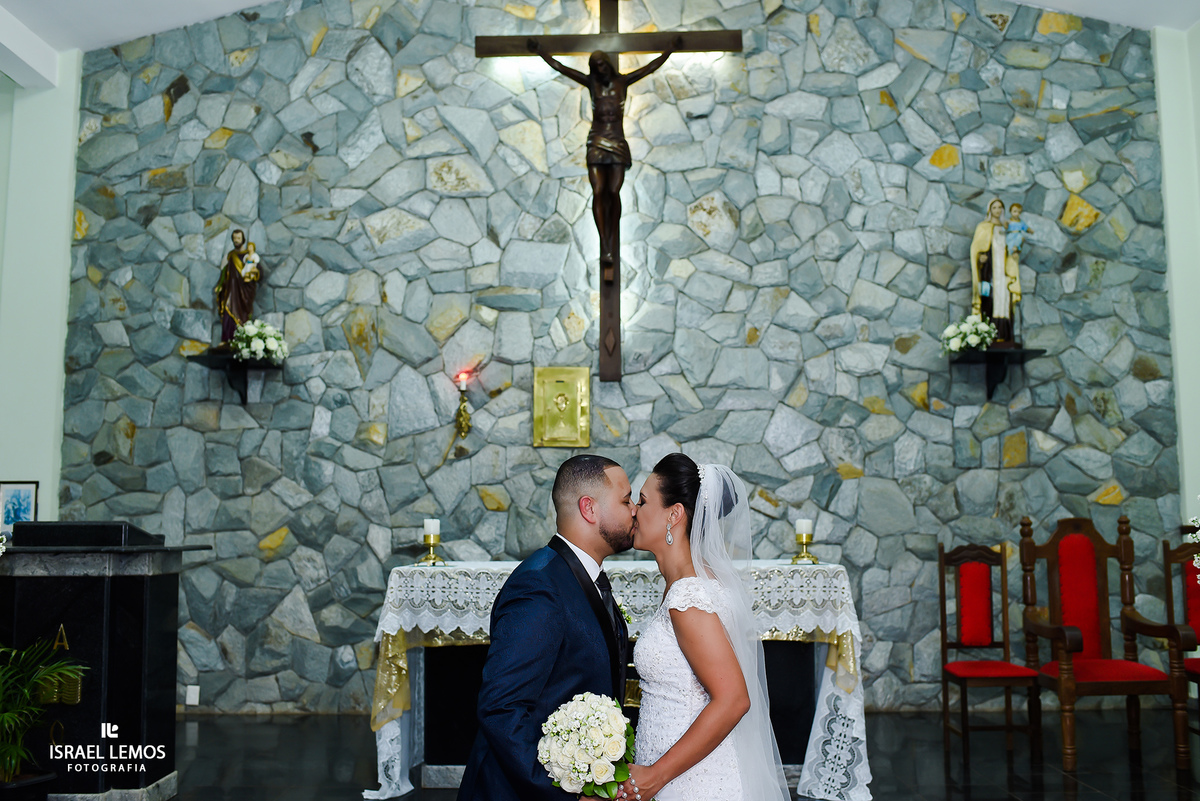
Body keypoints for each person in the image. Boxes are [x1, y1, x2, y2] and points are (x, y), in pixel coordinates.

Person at [458, 454, 635, 801]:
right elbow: (501, 708)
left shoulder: (576, 574)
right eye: (626, 500)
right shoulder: (539, 586)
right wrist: (569, 796)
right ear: (589, 508)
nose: (634, 511)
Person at [617, 454, 789, 801]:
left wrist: (655, 776)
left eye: (644, 501)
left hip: (691, 783)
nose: (634, 510)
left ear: (674, 514)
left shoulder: (689, 597)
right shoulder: (690, 583)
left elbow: (733, 699)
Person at [528, 38, 679, 277]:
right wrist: (540, 52)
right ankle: (605, 244)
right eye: (596, 67)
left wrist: (669, 50)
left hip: (617, 141)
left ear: (608, 63)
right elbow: (561, 68)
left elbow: (650, 68)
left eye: (603, 65)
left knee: (613, 192)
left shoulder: (622, 82)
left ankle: (611, 238)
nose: (601, 70)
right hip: (597, 141)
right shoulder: (592, 84)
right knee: (598, 191)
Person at [969, 198, 1020, 345]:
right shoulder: (983, 227)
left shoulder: (1007, 228)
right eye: (994, 208)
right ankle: (988, 334)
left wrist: (1015, 252)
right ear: (990, 210)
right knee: (990, 297)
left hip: (1004, 271)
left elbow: (1014, 244)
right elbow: (976, 249)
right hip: (990, 271)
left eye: (1000, 208)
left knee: (1005, 299)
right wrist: (980, 258)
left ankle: (1005, 335)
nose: (997, 210)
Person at [214, 228, 261, 343]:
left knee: (242, 316)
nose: (236, 240)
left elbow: (258, 272)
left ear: (243, 240)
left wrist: (254, 274)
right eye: (234, 238)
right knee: (228, 311)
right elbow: (225, 272)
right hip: (231, 289)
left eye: (238, 238)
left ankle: (240, 340)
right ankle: (227, 340)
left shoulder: (250, 256)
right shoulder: (230, 255)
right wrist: (220, 285)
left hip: (244, 292)